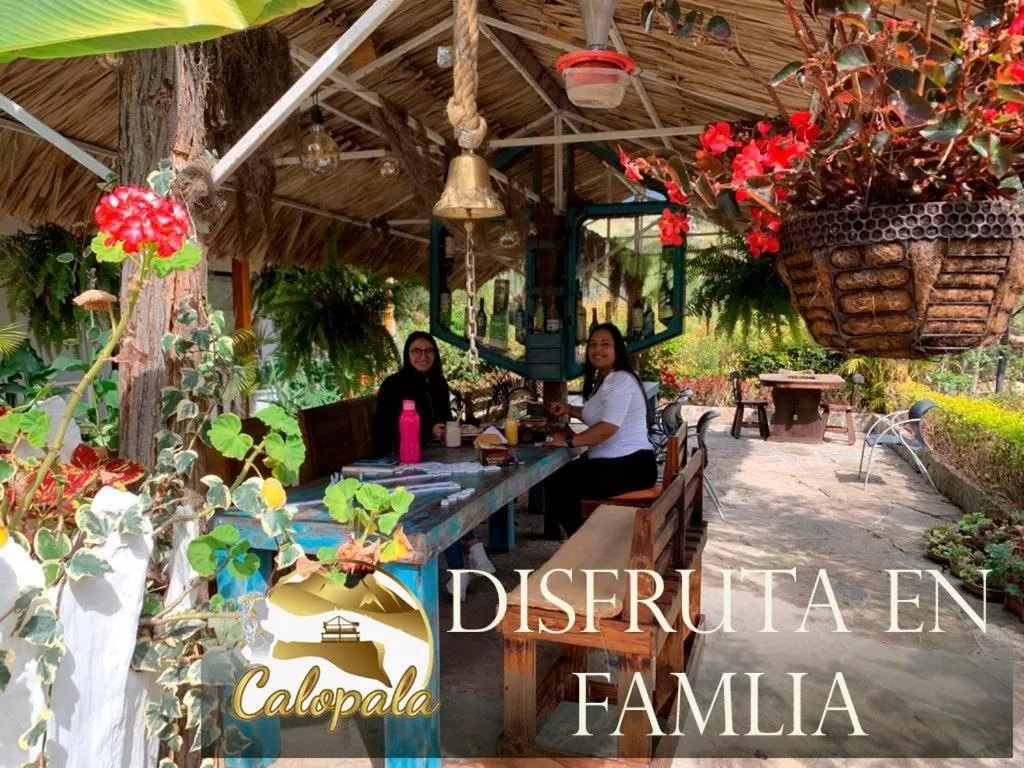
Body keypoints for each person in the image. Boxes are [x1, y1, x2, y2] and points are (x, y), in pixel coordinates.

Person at [371, 331, 494, 599]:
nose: (423, 356)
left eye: (428, 351)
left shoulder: (438, 382)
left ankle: (469, 555)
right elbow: (384, 428)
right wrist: (428, 431)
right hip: (399, 460)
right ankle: (464, 561)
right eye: (416, 351)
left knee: (457, 490)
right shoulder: (395, 385)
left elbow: (444, 419)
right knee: (444, 497)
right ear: (408, 354)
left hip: (432, 455)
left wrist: (447, 430)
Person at [542, 323, 657, 538]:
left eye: (605, 344)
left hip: (630, 467)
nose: (598, 350)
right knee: (560, 478)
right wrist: (569, 409)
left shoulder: (620, 379)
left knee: (559, 484)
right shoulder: (607, 379)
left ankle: (582, 547)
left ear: (617, 350)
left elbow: (607, 428)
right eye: (592, 344)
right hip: (620, 463)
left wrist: (570, 441)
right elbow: (597, 415)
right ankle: (580, 542)